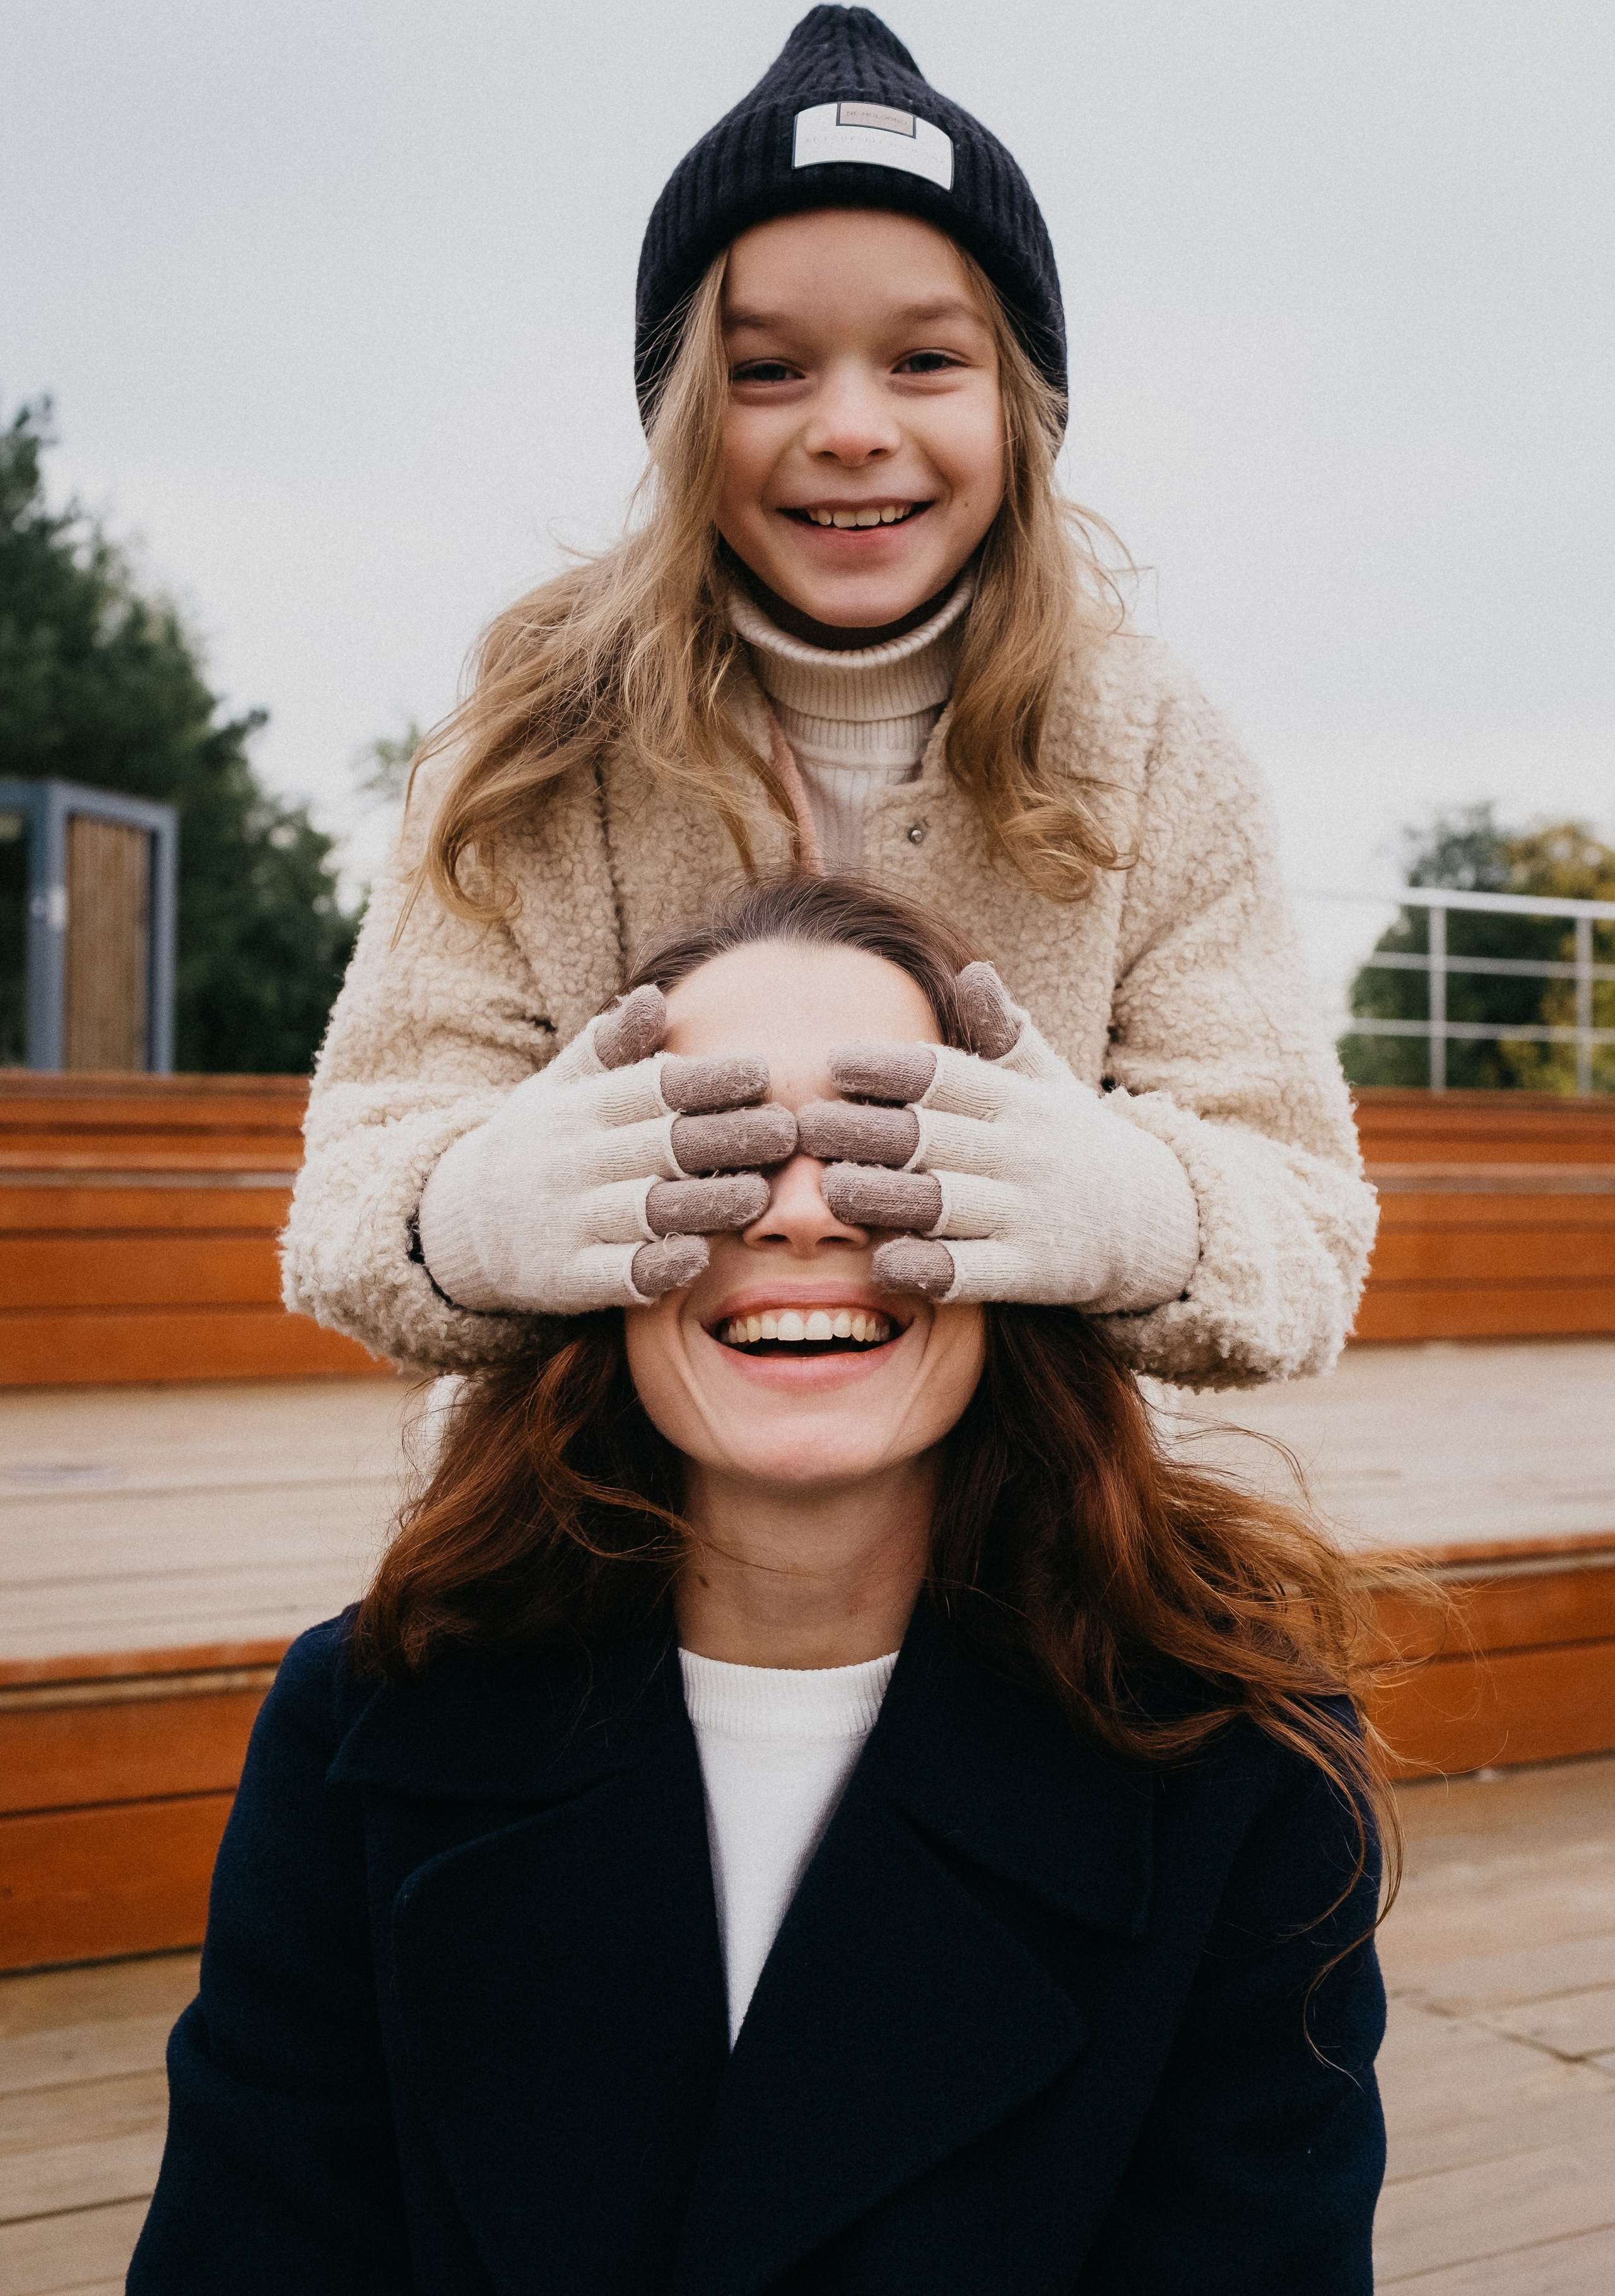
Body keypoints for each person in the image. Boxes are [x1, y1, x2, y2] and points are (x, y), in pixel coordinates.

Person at [137, 877, 1387, 2295]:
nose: (801, 1215)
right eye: (713, 1140)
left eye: (883, 1138)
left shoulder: (1241, 1772)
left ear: (1036, 1220)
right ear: (576, 1230)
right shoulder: (361, 1724)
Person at [281, 3, 1377, 1394]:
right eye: (767, 369)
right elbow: (350, 1204)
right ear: (682, 409)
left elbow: (1303, 1231)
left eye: (924, 359)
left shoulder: (1152, 738)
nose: (851, 426)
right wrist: (471, 1213)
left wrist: (1131, 1210)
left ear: (1018, 406)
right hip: (590, 1535)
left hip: (1048, 1545)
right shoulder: (540, 731)